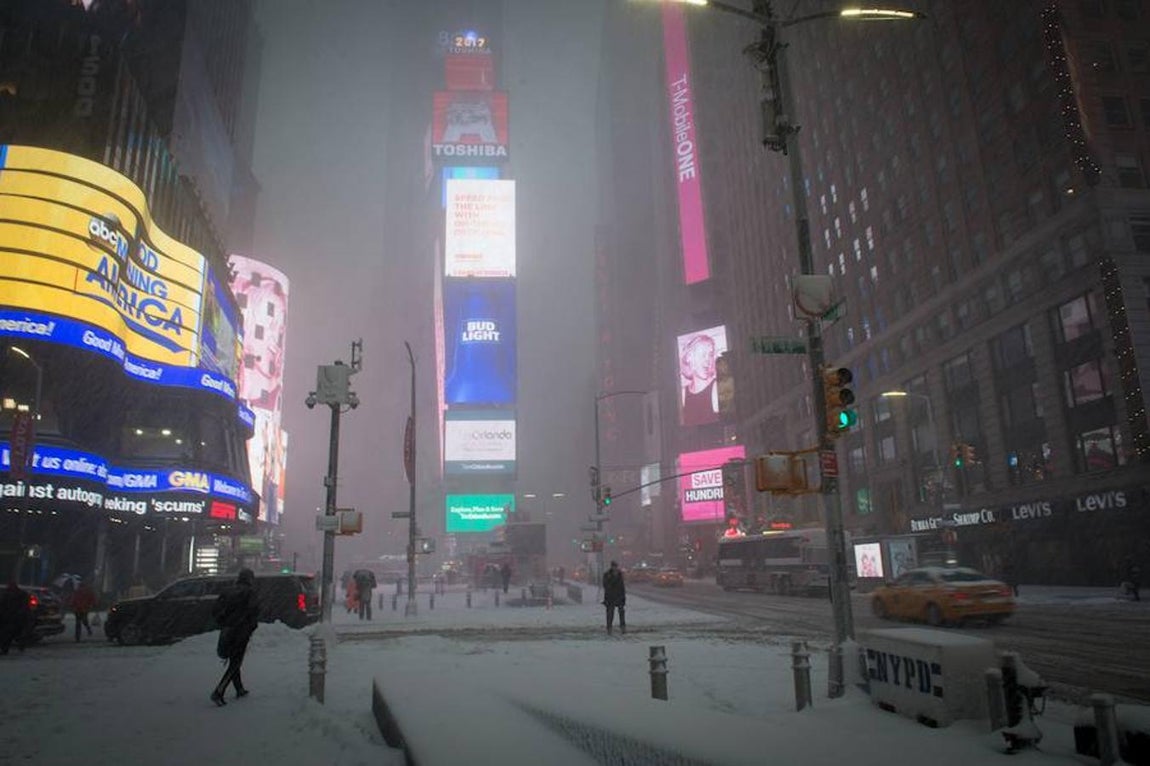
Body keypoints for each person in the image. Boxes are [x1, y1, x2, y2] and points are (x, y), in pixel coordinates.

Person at [210, 569, 260, 706]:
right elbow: (253, 611)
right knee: (236, 662)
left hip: (227, 629)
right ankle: (219, 691)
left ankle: (239, 688)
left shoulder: (228, 591)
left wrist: (225, 622)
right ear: (250, 579)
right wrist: (251, 626)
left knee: (233, 659)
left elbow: (215, 610)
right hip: (241, 630)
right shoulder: (249, 592)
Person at [679, 333, 719, 426]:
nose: (708, 360)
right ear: (689, 357)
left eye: (710, 355)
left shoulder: (716, 389)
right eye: (703, 354)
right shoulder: (682, 393)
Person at [0, 582, 31, 655]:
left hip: (15, 618)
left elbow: (24, 606)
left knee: (11, 635)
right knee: (8, 635)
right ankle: (6, 648)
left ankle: (7, 648)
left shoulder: (20, 595)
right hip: (9, 618)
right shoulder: (6, 594)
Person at [602, 561, 626, 635]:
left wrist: (623, 597)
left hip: (619, 596)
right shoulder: (607, 574)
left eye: (616, 566)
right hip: (610, 597)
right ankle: (609, 627)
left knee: (621, 612)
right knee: (610, 613)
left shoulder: (619, 574)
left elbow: (622, 586)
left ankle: (622, 626)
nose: (615, 568)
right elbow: (606, 585)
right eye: (614, 566)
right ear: (611, 567)